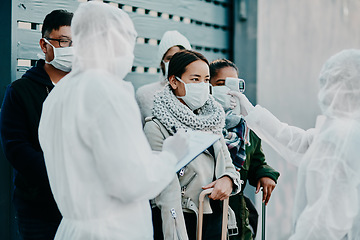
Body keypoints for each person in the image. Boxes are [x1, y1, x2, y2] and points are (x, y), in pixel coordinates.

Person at [37, 2, 190, 240]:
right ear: (110, 41)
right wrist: (170, 157)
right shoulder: (107, 91)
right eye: (127, 42)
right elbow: (132, 181)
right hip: (114, 230)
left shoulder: (58, 95)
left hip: (72, 229)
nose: (129, 53)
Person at [235, 49, 360, 239]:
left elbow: (327, 219)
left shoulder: (343, 135)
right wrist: (251, 114)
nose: (324, 90)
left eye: (330, 83)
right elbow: (297, 142)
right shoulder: (340, 129)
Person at [144, 50, 242, 240]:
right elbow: (165, 190)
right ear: (174, 81)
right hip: (182, 219)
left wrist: (228, 180)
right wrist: (176, 233)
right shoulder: (156, 126)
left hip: (214, 216)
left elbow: (228, 165)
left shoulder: (212, 119)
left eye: (206, 80)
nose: (203, 86)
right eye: (195, 79)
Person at [0, 9, 73, 240]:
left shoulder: (84, 89)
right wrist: (63, 174)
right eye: (63, 41)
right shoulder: (20, 91)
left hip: (80, 207)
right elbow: (16, 148)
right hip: (38, 208)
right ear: (44, 45)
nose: (71, 49)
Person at [209, 59, 280, 240]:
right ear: (208, 86)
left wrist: (265, 174)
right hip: (206, 218)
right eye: (220, 84)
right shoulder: (198, 124)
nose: (228, 90)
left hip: (237, 221)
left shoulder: (247, 127)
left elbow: (256, 161)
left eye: (233, 84)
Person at [136, 30, 191, 123]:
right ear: (162, 63)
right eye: (170, 58)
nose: (175, 62)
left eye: (181, 57)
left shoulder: (196, 91)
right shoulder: (144, 94)